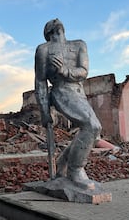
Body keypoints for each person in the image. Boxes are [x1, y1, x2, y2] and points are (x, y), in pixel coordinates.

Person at [34, 18, 102, 188]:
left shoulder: (80, 45)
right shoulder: (43, 50)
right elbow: (40, 82)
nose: (57, 21)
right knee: (91, 126)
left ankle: (63, 161)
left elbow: (84, 71)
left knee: (95, 129)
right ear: (47, 33)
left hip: (78, 92)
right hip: (60, 91)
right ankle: (75, 170)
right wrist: (44, 112)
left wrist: (65, 70)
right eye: (52, 24)